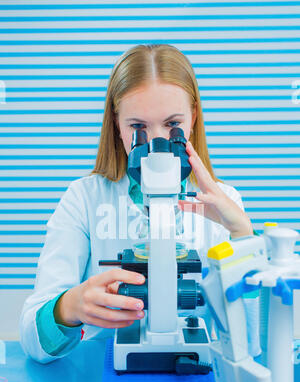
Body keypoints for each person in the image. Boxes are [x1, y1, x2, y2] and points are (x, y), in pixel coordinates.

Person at [20, 44, 258, 364]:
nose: (156, 144)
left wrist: (242, 232)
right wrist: (69, 307)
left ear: (194, 118)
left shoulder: (225, 203)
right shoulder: (84, 199)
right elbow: (33, 343)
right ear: (117, 124)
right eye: (138, 128)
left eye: (172, 125)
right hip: (98, 377)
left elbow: (253, 346)